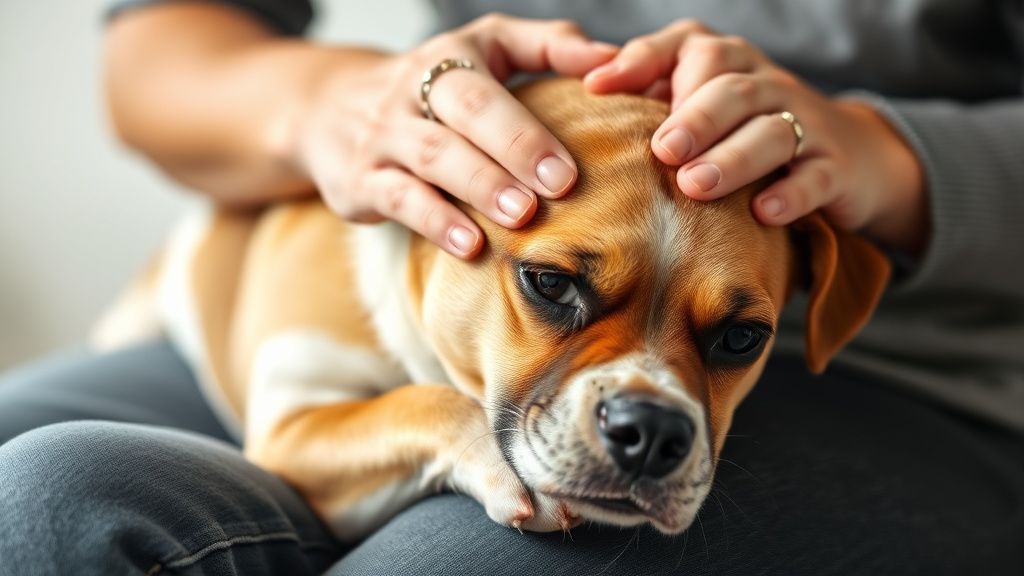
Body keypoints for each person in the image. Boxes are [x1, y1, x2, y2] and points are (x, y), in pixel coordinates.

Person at [1, 1, 1022, 574]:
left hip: (923, 381)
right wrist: (323, 99)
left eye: (726, 341)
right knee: (35, 495)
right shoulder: (351, 276)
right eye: (558, 288)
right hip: (324, 326)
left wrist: (886, 157)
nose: (651, 410)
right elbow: (155, 56)